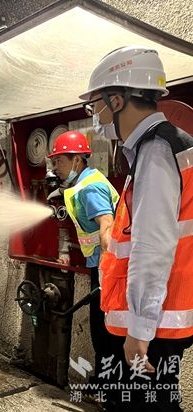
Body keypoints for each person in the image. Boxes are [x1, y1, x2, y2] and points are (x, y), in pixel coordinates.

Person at [80, 46, 193, 411]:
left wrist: (140, 331)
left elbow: (152, 247)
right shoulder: (167, 144)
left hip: (154, 326)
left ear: (116, 101)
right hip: (163, 316)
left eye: (95, 105)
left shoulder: (156, 150)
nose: (95, 116)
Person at [47, 130, 119, 389]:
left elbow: (107, 225)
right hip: (102, 266)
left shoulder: (89, 188)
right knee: (102, 329)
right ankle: (104, 384)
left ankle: (107, 389)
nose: (55, 168)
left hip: (108, 269)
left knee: (105, 331)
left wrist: (106, 271)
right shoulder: (82, 183)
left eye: (59, 161)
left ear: (77, 160)